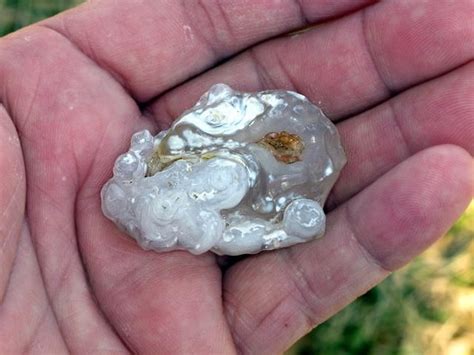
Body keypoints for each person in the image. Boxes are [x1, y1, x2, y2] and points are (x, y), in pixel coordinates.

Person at [0, 0, 472, 353]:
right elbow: (249, 222)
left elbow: (263, 226)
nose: (214, 187)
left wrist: (292, 224)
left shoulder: (219, 198)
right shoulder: (192, 196)